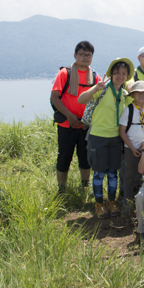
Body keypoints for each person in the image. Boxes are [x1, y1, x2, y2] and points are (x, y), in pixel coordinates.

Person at [78, 58, 134, 218]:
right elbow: (81, 99)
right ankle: (99, 204)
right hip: (98, 137)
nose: (120, 76)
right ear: (111, 73)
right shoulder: (102, 89)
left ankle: (111, 202)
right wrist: (95, 87)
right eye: (117, 72)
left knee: (112, 173)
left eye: (124, 73)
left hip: (116, 139)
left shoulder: (123, 94)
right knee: (99, 173)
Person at [50, 41, 99, 193]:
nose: (85, 58)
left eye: (88, 55)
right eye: (82, 54)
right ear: (75, 55)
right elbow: (55, 97)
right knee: (64, 157)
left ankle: (84, 187)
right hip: (66, 124)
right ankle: (61, 189)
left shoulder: (94, 77)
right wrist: (69, 116)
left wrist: (88, 120)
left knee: (85, 158)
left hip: (84, 125)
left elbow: (96, 101)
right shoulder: (65, 73)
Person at [119, 80, 144, 212]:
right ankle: (127, 200)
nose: (141, 95)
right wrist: (132, 148)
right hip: (130, 148)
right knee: (129, 174)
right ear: (132, 95)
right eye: (138, 93)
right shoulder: (128, 110)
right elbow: (122, 131)